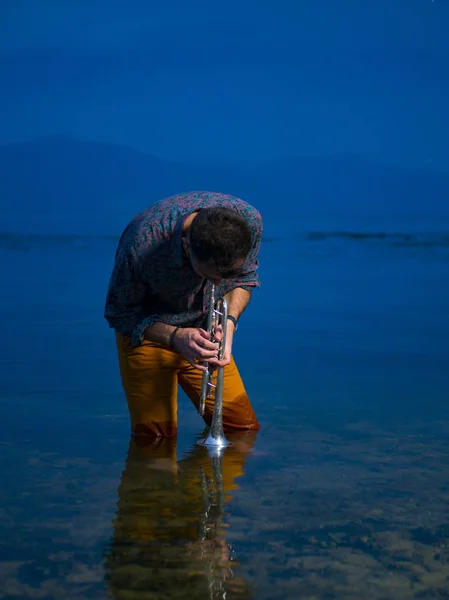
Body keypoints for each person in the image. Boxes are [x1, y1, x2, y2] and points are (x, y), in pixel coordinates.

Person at [104, 191, 263, 438]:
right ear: (187, 246)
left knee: (241, 431)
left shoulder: (249, 222)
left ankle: (202, 475)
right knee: (156, 441)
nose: (219, 283)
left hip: (205, 338)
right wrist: (176, 336)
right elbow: (119, 314)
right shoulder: (142, 242)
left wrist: (228, 325)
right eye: (210, 276)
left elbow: (245, 279)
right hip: (148, 334)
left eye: (226, 276)